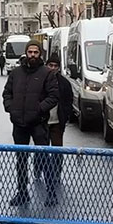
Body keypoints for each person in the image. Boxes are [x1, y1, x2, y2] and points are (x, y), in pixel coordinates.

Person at [2, 40, 58, 207]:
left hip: (38, 123)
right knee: (21, 160)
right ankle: (22, 192)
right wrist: (11, 108)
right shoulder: (16, 73)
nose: (32, 55)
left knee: (43, 158)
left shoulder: (47, 73)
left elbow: (53, 96)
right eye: (30, 52)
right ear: (26, 53)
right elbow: (7, 93)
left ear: (40, 54)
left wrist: (39, 109)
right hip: (19, 123)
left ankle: (51, 193)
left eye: (36, 52)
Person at [41, 52, 75, 205]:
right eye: (50, 65)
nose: (53, 68)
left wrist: (65, 117)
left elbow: (68, 101)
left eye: (56, 66)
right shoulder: (40, 80)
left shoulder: (64, 83)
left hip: (57, 122)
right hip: (42, 121)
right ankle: (39, 168)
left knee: (57, 149)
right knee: (42, 149)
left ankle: (56, 173)